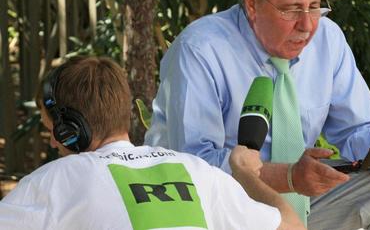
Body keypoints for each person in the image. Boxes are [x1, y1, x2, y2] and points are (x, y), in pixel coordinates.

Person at [144, 0, 370, 229]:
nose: (307, 25)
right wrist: (288, 177)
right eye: (291, 9)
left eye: (314, 6)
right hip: (221, 211)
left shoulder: (328, 39)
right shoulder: (200, 50)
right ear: (252, 6)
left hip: (302, 204)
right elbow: (196, 167)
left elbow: (358, 128)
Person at [0, 56, 305, 230]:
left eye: (53, 128)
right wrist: (246, 174)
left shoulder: (55, 182)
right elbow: (293, 227)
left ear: (71, 130)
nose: (53, 141)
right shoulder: (197, 172)